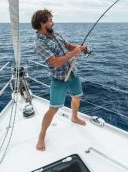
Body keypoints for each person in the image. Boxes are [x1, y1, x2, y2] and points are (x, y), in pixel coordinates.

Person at [32, 9, 86, 151]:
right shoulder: (39, 44)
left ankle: (74, 117)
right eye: (50, 20)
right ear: (42, 23)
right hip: (58, 78)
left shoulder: (55, 33)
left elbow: (67, 45)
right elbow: (54, 62)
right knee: (54, 108)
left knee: (77, 97)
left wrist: (80, 48)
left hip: (72, 72)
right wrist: (73, 53)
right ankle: (41, 135)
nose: (52, 22)